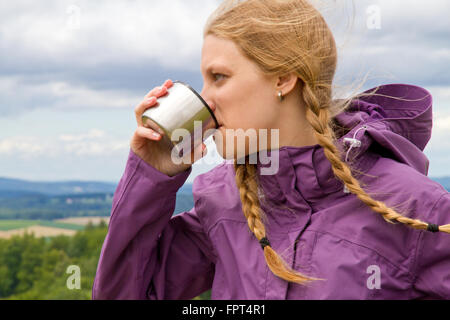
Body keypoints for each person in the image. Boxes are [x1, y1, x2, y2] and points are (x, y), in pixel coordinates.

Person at [92, 0, 450, 299]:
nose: (206, 100)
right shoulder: (221, 204)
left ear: (283, 79)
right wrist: (151, 173)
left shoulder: (418, 207)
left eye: (219, 77)